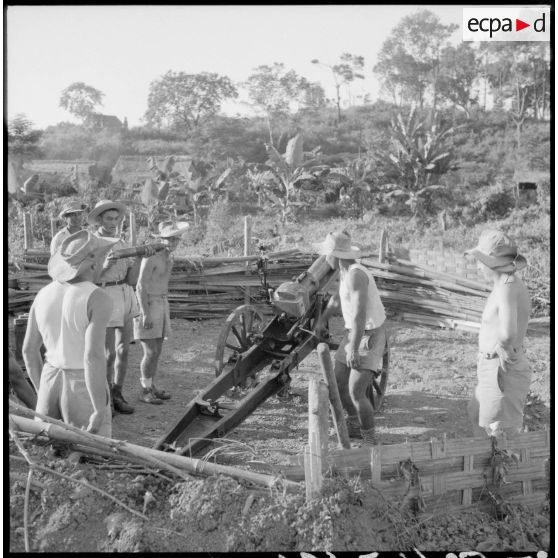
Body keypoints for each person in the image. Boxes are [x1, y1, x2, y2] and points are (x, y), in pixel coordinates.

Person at [22, 230, 119, 435]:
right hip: (82, 384)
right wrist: (99, 408)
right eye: (103, 256)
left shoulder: (44, 294)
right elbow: (92, 356)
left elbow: (29, 352)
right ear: (93, 262)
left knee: (50, 455)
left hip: (50, 376)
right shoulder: (97, 298)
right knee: (92, 456)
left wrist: (43, 393)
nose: (105, 262)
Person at [314, 231, 387, 445]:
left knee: (356, 391)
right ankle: (355, 423)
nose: (325, 259)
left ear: (335, 255)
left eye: (327, 254)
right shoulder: (345, 272)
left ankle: (370, 437)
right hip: (354, 332)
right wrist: (321, 320)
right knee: (337, 382)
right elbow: (337, 300)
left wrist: (353, 349)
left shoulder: (356, 275)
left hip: (369, 334)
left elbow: (359, 315)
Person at [87, 200, 156, 414]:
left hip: (124, 293)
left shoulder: (122, 242)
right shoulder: (93, 242)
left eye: (117, 219)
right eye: (109, 218)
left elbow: (131, 280)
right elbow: (87, 277)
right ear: (99, 219)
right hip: (103, 292)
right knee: (107, 354)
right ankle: (105, 399)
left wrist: (138, 259)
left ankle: (118, 393)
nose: (114, 223)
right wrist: (104, 265)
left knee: (123, 350)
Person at [465, 229, 532, 438]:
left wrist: (502, 346)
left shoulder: (507, 284)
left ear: (491, 261)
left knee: (499, 434)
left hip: (501, 369)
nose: (478, 266)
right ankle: (483, 465)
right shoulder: (504, 283)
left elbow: (508, 330)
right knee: (475, 413)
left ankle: (500, 469)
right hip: (491, 367)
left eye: (480, 261)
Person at [134, 221, 189, 404]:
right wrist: (145, 313)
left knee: (157, 351)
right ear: (161, 239)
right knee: (150, 351)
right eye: (169, 239)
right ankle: (144, 389)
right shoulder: (151, 258)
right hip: (149, 303)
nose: (173, 243)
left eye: (176, 240)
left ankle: (151, 385)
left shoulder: (168, 258)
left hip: (162, 303)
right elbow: (140, 286)